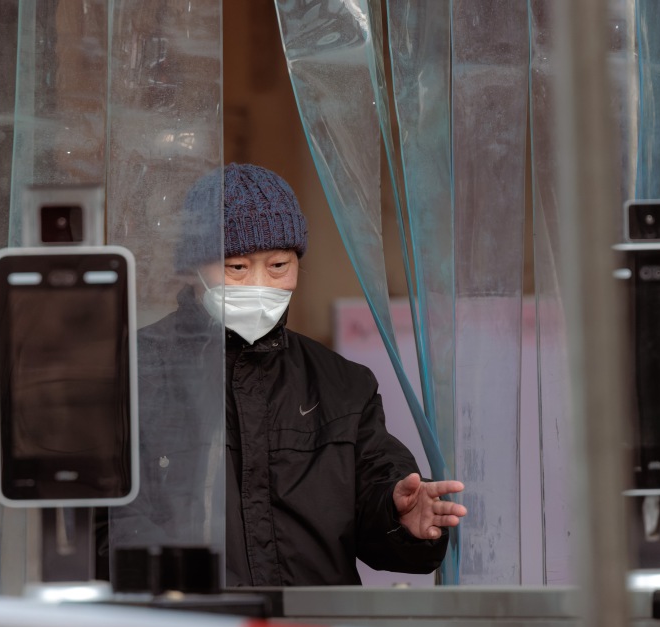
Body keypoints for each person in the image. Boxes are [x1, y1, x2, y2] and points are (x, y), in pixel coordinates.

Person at [118, 163, 466, 587]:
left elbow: (378, 492)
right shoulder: (135, 368)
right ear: (193, 269)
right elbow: (106, 522)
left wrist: (399, 516)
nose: (259, 284)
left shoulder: (342, 383)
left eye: (279, 265)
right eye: (237, 267)